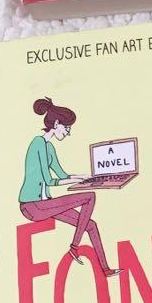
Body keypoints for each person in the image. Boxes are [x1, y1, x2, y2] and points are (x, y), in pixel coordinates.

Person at [17, 97, 123, 277]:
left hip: (44, 204)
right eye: (66, 128)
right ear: (56, 124)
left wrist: (87, 177)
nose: (68, 133)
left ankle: (105, 270)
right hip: (32, 206)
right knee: (89, 197)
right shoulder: (38, 143)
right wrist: (80, 182)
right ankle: (74, 247)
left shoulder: (49, 147)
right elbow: (50, 181)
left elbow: (63, 175)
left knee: (91, 225)